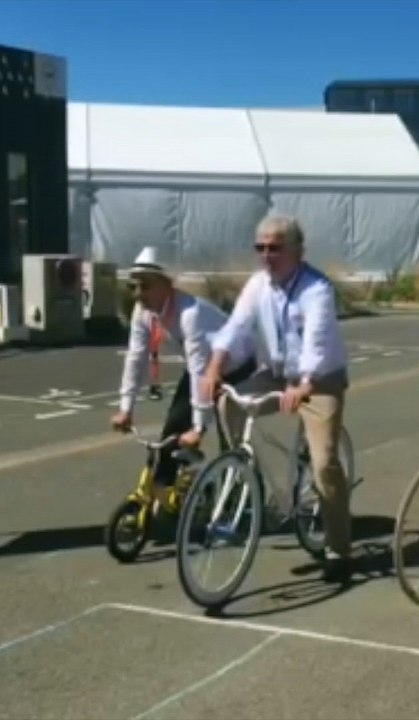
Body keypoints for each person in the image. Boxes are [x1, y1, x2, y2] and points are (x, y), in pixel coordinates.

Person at [200, 215, 354, 582]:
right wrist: (213, 368)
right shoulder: (257, 285)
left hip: (320, 380)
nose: (267, 255)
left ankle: (339, 549)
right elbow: (234, 327)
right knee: (227, 404)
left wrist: (303, 386)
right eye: (260, 247)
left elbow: (317, 343)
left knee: (323, 465)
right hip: (277, 374)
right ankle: (244, 470)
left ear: (297, 250)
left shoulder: (317, 289)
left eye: (275, 247)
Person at [111, 247, 256, 502]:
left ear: (166, 285)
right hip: (203, 368)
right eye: (134, 286)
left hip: (237, 366)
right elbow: (136, 359)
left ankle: (240, 500)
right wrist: (126, 409)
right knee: (172, 432)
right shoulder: (142, 312)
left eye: (145, 286)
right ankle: (161, 493)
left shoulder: (190, 314)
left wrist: (199, 427)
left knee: (228, 437)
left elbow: (201, 371)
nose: (138, 294)